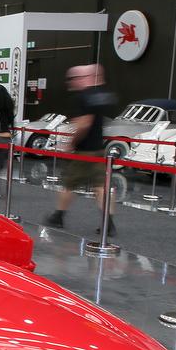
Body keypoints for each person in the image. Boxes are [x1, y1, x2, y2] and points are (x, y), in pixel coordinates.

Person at [44, 64, 117, 234]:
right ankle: (109, 224)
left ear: (82, 78)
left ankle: (58, 216)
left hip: (84, 151)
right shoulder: (101, 95)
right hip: (98, 148)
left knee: (69, 184)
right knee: (101, 186)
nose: (70, 83)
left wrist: (71, 143)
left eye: (72, 79)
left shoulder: (83, 97)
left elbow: (84, 123)